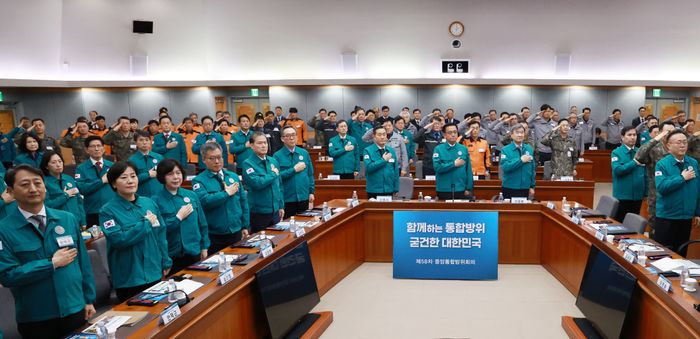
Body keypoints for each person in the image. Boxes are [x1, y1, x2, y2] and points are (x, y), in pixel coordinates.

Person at [0, 165, 96, 339]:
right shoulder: (4, 230)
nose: (33, 189)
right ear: (10, 191)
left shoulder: (67, 218)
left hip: (75, 308)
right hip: (37, 318)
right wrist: (50, 263)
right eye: (25, 184)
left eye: (38, 183)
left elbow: (83, 262)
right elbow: (7, 275)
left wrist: (88, 298)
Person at [99, 161, 171, 302]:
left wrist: (165, 260)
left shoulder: (148, 203)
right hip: (129, 277)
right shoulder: (107, 211)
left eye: (133, 176)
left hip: (154, 270)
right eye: (124, 177)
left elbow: (160, 234)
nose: (130, 181)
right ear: (114, 184)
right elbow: (119, 240)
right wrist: (145, 223)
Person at [154, 159, 209, 274]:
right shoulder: (155, 200)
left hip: (194, 251)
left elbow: (202, 223)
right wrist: (178, 217)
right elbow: (158, 231)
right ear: (162, 177)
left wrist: (204, 246)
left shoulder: (191, 195)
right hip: (172, 256)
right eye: (170, 174)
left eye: (178, 173)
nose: (175, 177)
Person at [192, 143, 249, 254]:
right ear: (203, 160)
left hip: (236, 230)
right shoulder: (199, 181)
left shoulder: (233, 176)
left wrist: (245, 226)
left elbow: (243, 202)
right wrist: (226, 193)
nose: (217, 161)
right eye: (212, 158)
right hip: (215, 234)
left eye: (219, 157)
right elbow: (204, 201)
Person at [654, 129, 700, 256]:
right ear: (668, 146)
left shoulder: (693, 162)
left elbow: (697, 188)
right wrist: (682, 178)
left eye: (685, 142)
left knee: (681, 253)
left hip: (686, 217)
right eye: (678, 142)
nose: (682, 145)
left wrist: (697, 212)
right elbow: (662, 187)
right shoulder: (662, 164)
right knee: (663, 254)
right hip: (667, 217)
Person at [634, 122, 676, 229]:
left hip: (675, 193)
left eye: (673, 131)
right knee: (656, 227)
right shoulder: (654, 148)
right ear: (661, 133)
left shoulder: (678, 149)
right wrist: (656, 139)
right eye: (668, 132)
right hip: (656, 195)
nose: (671, 134)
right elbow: (638, 157)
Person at [242, 132, 285, 232]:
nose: (264, 145)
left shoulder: (273, 161)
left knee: (277, 240)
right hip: (259, 212)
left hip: (275, 210)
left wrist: (281, 205)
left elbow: (280, 186)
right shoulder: (248, 164)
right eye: (260, 143)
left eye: (265, 143)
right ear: (251, 145)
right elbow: (257, 183)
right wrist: (272, 174)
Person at [274, 126, 315, 217]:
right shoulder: (277, 156)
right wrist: (293, 170)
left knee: (305, 224)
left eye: (293, 135)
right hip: (288, 198)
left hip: (304, 196)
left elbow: (310, 174)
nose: (291, 138)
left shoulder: (304, 153)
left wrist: (311, 191)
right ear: (282, 139)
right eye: (288, 136)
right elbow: (276, 177)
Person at [75, 136, 115, 228]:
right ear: (87, 150)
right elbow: (82, 189)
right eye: (93, 146)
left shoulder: (112, 166)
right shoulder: (81, 168)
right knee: (94, 240)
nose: (96, 149)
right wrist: (101, 181)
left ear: (103, 148)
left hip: (112, 209)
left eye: (99, 145)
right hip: (92, 211)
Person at [41, 151, 87, 229]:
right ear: (46, 166)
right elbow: (47, 205)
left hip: (75, 221)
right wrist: (65, 195)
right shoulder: (43, 182)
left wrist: (83, 221)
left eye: (60, 161)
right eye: (53, 162)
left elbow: (79, 201)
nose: (58, 165)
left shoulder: (69, 178)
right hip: (58, 223)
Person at [611, 126, 646, 222]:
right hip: (623, 195)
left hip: (638, 195)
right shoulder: (616, 152)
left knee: (633, 223)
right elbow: (618, 170)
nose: (632, 137)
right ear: (622, 137)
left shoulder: (640, 152)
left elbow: (645, 174)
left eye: (634, 135)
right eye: (629, 135)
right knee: (619, 222)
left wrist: (645, 192)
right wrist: (634, 162)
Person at [434, 123, 474, 200]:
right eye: (450, 132)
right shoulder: (438, 149)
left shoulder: (463, 149)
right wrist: (454, 164)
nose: (453, 135)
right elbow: (437, 167)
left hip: (461, 188)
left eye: (455, 132)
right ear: (444, 135)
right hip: (444, 189)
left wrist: (468, 188)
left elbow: (468, 170)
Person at [499, 124, 536, 199]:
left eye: (522, 132)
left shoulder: (529, 148)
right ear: (511, 135)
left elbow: (532, 168)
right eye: (517, 132)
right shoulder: (505, 150)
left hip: (525, 187)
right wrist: (521, 160)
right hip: (510, 186)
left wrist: (532, 186)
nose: (520, 135)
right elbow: (506, 167)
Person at [363, 126, 399, 199]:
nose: (382, 137)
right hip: (374, 190)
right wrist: (383, 160)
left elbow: (395, 171)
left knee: (388, 210)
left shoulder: (391, 151)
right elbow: (368, 168)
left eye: (384, 134)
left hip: (389, 189)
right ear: (374, 136)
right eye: (379, 135)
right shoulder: (368, 150)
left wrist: (396, 188)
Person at [128, 130, 164, 197]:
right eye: (141, 140)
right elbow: (130, 180)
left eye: (147, 140)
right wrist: (148, 175)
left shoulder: (159, 157)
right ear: (136, 142)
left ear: (150, 141)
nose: (144, 142)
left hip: (160, 194)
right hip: (142, 195)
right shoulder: (131, 160)